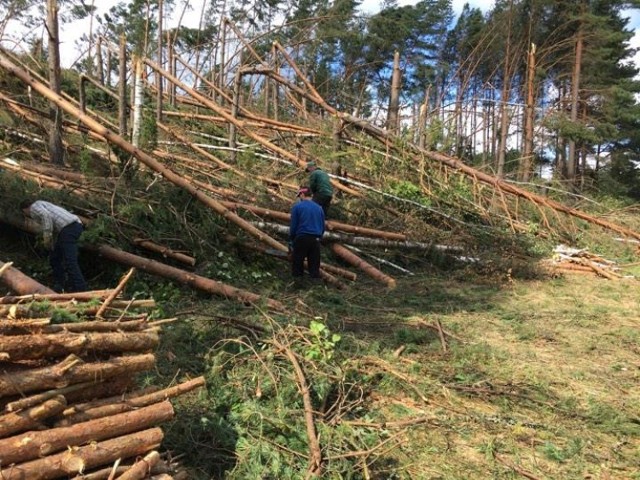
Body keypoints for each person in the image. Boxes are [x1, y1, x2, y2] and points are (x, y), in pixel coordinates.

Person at [20, 199, 88, 293]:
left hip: (69, 228)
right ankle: (60, 285)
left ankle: (80, 289)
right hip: (70, 228)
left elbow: (46, 216)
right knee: (55, 257)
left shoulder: (34, 207)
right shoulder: (43, 204)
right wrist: (52, 242)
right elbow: (53, 223)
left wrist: (47, 235)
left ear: (24, 209)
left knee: (70, 260)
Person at [289, 186, 325, 287]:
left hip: (302, 237)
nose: (299, 198)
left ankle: (298, 283)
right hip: (316, 239)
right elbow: (322, 226)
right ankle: (315, 286)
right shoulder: (319, 208)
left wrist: (291, 240)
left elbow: (293, 226)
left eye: (299, 195)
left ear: (302, 194)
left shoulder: (297, 207)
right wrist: (319, 237)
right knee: (314, 263)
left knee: (298, 261)